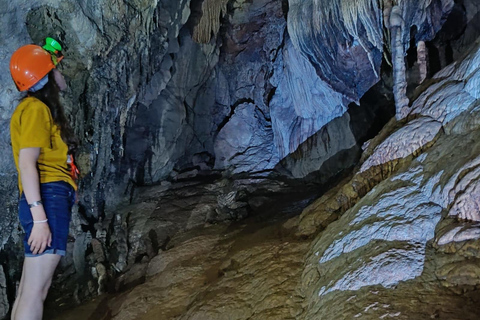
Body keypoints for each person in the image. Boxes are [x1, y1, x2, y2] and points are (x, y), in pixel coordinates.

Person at [9, 39, 78, 320]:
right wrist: (40, 219)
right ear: (45, 77)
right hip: (47, 198)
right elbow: (27, 164)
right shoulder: (37, 109)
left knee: (29, 290)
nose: (61, 73)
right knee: (36, 291)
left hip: (44, 197)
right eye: (56, 68)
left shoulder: (32, 110)